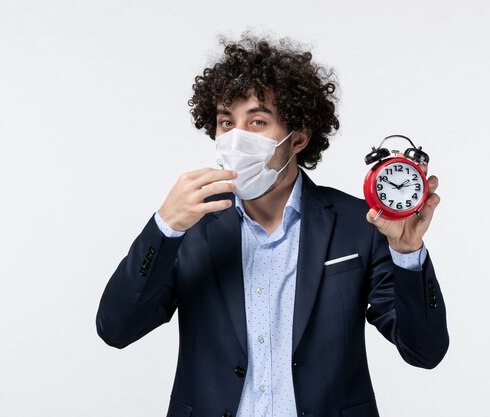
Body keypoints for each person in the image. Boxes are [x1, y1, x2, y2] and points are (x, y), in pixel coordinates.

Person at [96, 35, 448, 417]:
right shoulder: (191, 226)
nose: (237, 138)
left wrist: (407, 254)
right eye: (226, 122)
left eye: (258, 121)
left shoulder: (358, 224)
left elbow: (424, 352)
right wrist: (164, 228)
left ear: (298, 137)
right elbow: (116, 329)